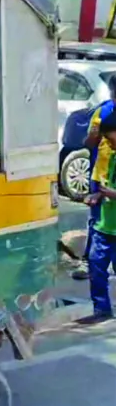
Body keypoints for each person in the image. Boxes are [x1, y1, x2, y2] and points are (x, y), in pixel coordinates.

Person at [75, 76, 116, 281]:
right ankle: (90, 261)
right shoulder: (103, 111)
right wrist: (93, 136)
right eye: (114, 94)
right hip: (101, 175)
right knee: (98, 221)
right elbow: (88, 144)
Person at [80, 109, 116, 325]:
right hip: (103, 225)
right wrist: (97, 195)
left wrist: (110, 193)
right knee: (96, 267)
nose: (110, 145)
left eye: (111, 140)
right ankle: (101, 308)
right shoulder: (111, 159)